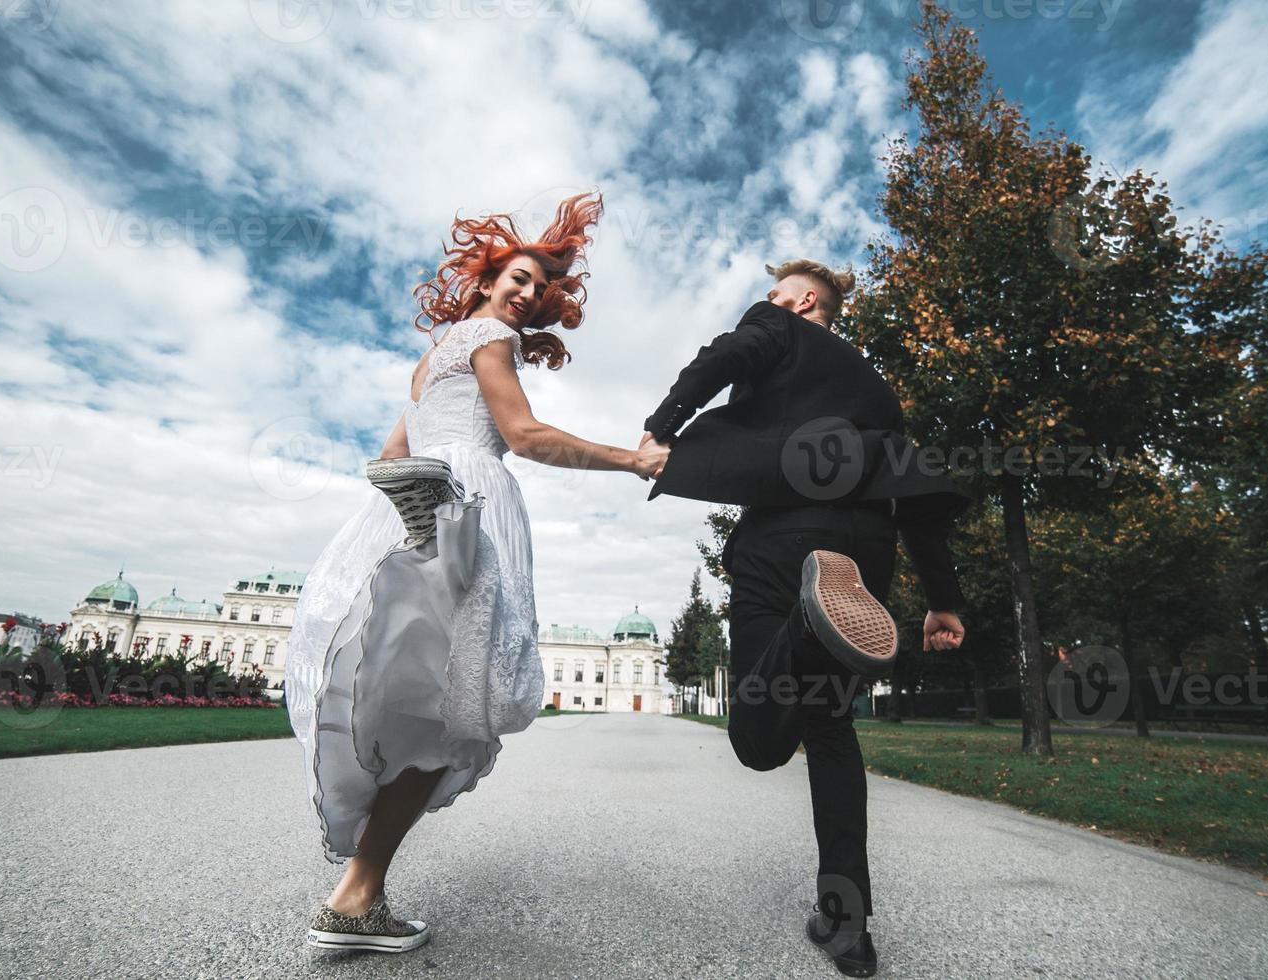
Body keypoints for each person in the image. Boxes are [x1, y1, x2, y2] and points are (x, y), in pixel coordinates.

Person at [285, 192, 668, 953]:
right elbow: (523, 435)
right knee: (460, 707)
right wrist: (631, 458)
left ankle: (359, 894)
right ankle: (356, 896)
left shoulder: (435, 356)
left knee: (426, 699)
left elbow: (393, 458)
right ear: (489, 277)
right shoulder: (490, 335)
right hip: (466, 510)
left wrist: (418, 509)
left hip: (418, 509)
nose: (527, 295)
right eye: (518, 278)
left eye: (540, 288)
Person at [640, 259, 970, 978]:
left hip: (781, 546)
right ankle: (847, 923)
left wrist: (660, 429)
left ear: (804, 300)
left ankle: (804, 624)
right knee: (829, 727)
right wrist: (943, 601)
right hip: (863, 548)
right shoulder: (878, 393)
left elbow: (721, 357)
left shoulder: (776, 329)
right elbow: (914, 498)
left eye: (776, 295)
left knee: (759, 743)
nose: (767, 304)